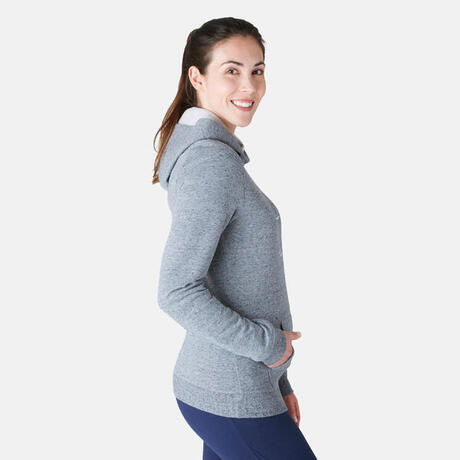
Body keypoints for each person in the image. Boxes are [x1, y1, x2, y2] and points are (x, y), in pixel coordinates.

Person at [153, 17, 318, 460]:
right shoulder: (210, 164)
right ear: (197, 77)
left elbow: (247, 282)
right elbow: (176, 291)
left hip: (236, 386)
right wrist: (270, 347)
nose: (249, 86)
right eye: (232, 70)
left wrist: (278, 379)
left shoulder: (212, 155)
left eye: (257, 70)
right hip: (232, 391)